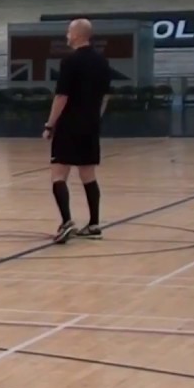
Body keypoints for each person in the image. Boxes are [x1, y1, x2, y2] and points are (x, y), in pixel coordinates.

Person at [44, 19, 110, 244]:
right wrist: (94, 119)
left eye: (69, 31)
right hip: (91, 126)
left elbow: (62, 96)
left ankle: (66, 222)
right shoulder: (102, 62)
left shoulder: (70, 62)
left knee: (58, 174)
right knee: (88, 174)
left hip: (69, 124)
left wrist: (50, 124)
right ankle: (94, 224)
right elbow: (105, 96)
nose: (67, 35)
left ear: (78, 35)